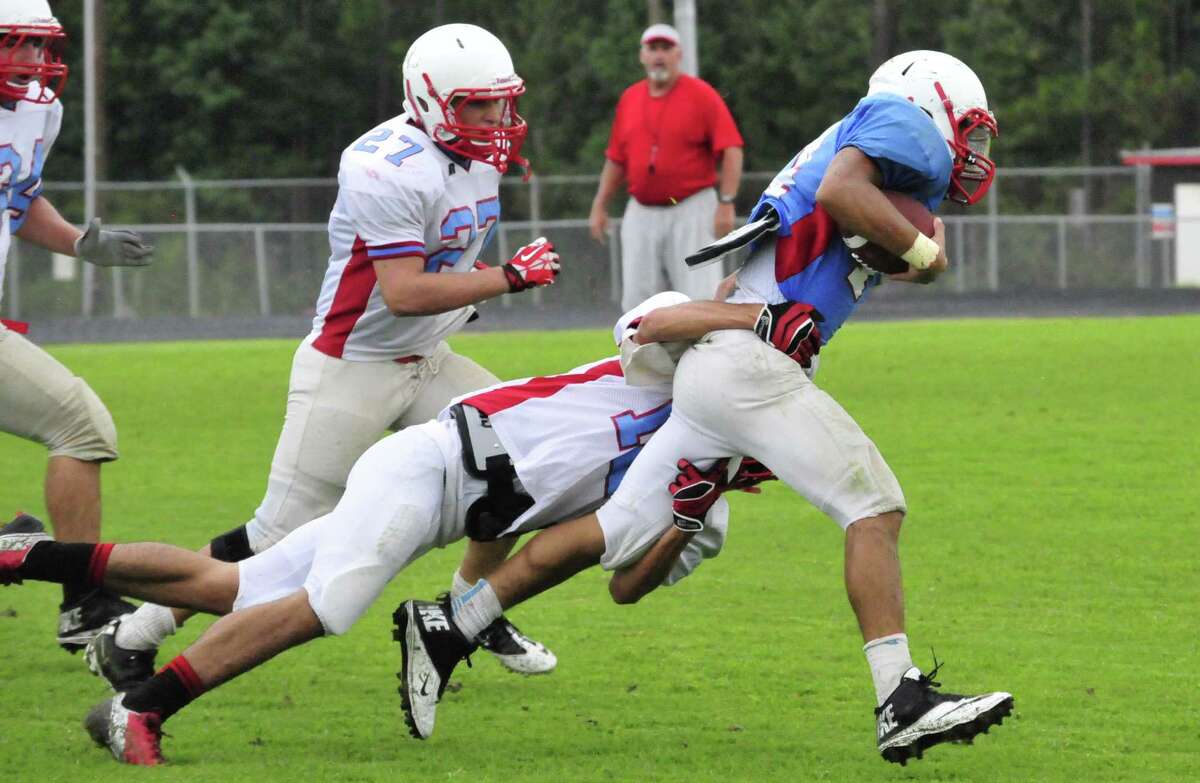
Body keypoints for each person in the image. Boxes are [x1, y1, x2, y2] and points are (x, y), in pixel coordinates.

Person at [396, 50, 1014, 766]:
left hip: (724, 367)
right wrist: (925, 254)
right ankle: (900, 700)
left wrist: (909, 248)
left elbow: (862, 221)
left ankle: (451, 625)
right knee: (874, 507)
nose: (971, 148)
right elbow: (847, 192)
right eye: (968, 127)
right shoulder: (899, 122)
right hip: (752, 364)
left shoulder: (862, 147)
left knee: (613, 528)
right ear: (933, 104)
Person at [0, 292, 782, 765]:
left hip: (443, 504)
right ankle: (142, 707)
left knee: (230, 586)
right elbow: (649, 320)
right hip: (433, 463)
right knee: (325, 607)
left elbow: (625, 586)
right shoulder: (676, 366)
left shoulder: (701, 497)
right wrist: (758, 316)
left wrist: (684, 519)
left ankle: (28, 555)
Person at [80, 23, 565, 691]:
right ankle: (134, 634)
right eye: (478, 104)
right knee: (275, 536)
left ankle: (467, 611)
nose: (495, 118)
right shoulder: (383, 165)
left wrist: (484, 280)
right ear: (429, 100)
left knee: (513, 461)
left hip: (427, 357)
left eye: (500, 102)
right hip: (353, 367)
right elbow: (403, 291)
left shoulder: (475, 155)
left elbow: (444, 260)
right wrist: (507, 278)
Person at [0, 0, 154, 652]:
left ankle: (64, 585)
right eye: (15, 42)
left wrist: (76, 243)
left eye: (40, 45)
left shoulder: (39, 110)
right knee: (79, 423)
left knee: (79, 424)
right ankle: (78, 597)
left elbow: (17, 195)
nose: (33, 60)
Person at [588, 23, 745, 310]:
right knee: (637, 303)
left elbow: (731, 149)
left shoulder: (701, 94)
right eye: (653, 49)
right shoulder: (630, 98)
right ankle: (642, 342)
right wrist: (600, 204)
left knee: (700, 297)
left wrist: (726, 202)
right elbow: (616, 159)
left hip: (692, 208)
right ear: (642, 55)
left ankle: (706, 342)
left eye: (666, 48)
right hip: (642, 211)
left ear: (678, 54)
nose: (659, 55)